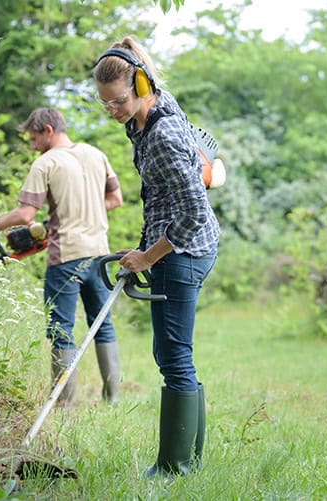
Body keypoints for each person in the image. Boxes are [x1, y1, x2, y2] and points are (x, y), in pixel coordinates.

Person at [92, 37, 220, 478]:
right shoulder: (147, 116)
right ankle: (192, 461)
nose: (114, 111)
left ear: (142, 85)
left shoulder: (162, 133)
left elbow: (193, 214)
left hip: (184, 251)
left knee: (173, 356)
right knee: (175, 353)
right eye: (105, 104)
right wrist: (144, 247)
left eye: (120, 101)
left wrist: (149, 256)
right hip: (176, 246)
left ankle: (174, 467)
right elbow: (168, 197)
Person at [0, 108, 124, 407]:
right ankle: (112, 400)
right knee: (103, 324)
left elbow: (25, 214)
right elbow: (115, 199)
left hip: (66, 260)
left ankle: (62, 407)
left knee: (62, 330)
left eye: (34, 138)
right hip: (100, 255)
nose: (32, 145)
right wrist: (83, 213)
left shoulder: (45, 163)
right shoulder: (95, 153)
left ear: (48, 130)